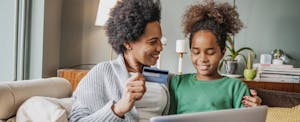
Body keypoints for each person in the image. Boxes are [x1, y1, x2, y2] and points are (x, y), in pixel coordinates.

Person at [69, 0, 261, 121]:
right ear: (128, 43)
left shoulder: (162, 77)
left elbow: (201, 93)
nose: (161, 47)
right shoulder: (103, 72)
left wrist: (251, 107)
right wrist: (119, 108)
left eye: (160, 40)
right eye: (153, 42)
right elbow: (77, 120)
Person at [169, 0, 260, 114]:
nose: (202, 59)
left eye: (210, 52)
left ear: (222, 52)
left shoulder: (236, 88)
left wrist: (255, 112)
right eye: (196, 52)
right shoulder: (177, 83)